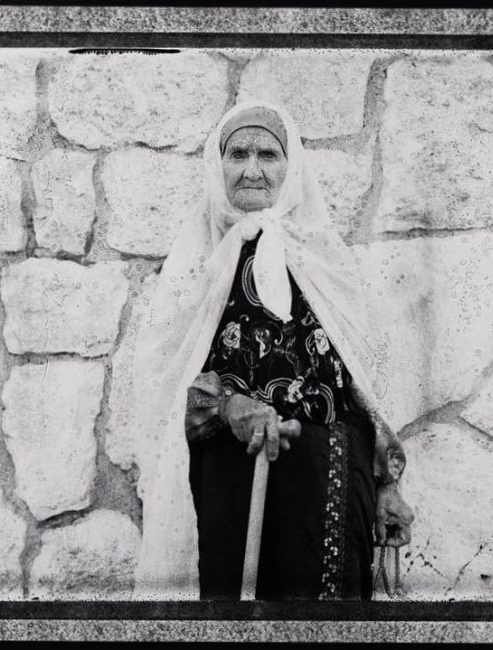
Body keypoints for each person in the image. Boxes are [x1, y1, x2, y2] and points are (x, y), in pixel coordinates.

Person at [129, 101, 413, 600]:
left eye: (268, 155)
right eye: (238, 154)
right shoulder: (194, 268)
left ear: (291, 166)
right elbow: (165, 394)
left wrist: (388, 484)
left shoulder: (325, 261)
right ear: (218, 166)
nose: (253, 169)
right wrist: (228, 405)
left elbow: (363, 388)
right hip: (232, 490)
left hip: (330, 494)